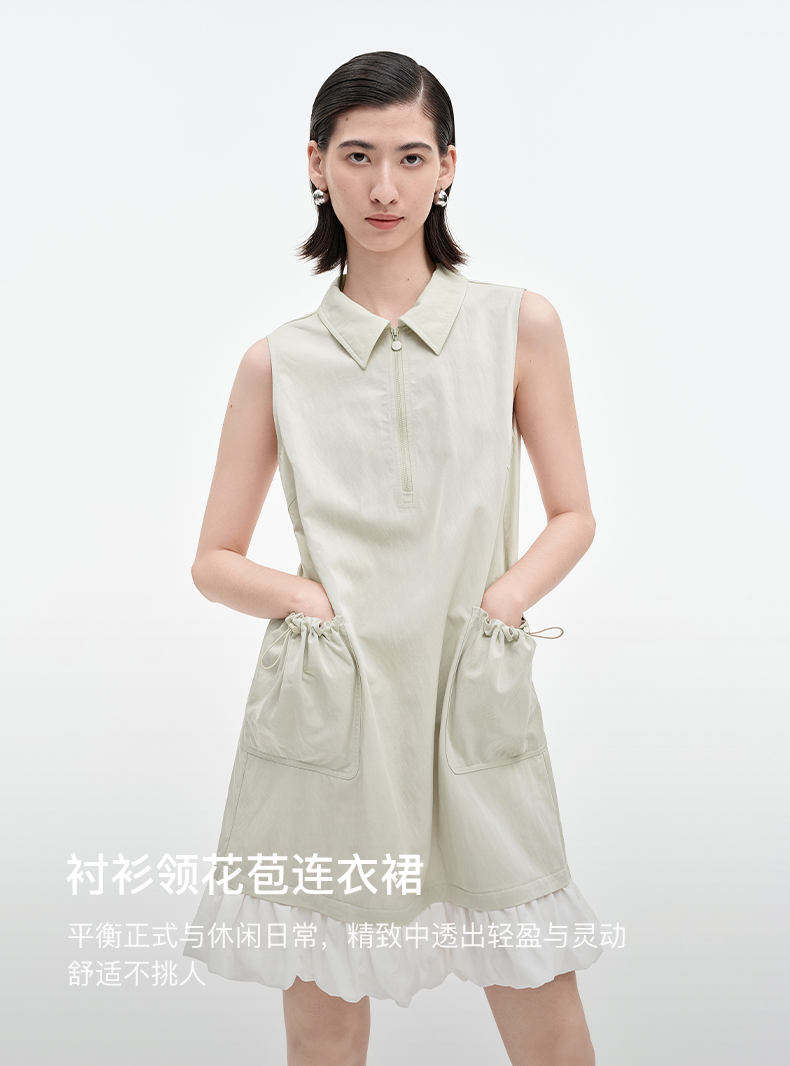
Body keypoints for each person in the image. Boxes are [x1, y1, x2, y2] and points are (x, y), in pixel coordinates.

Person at [183, 50, 602, 1066]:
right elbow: (214, 558)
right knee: (324, 1024)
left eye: (411, 157)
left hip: (469, 694)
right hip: (331, 710)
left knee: (541, 1005)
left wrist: (504, 601)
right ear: (316, 164)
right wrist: (309, 604)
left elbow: (572, 514)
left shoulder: (518, 326)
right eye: (358, 156)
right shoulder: (278, 362)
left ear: (447, 167)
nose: (384, 187)